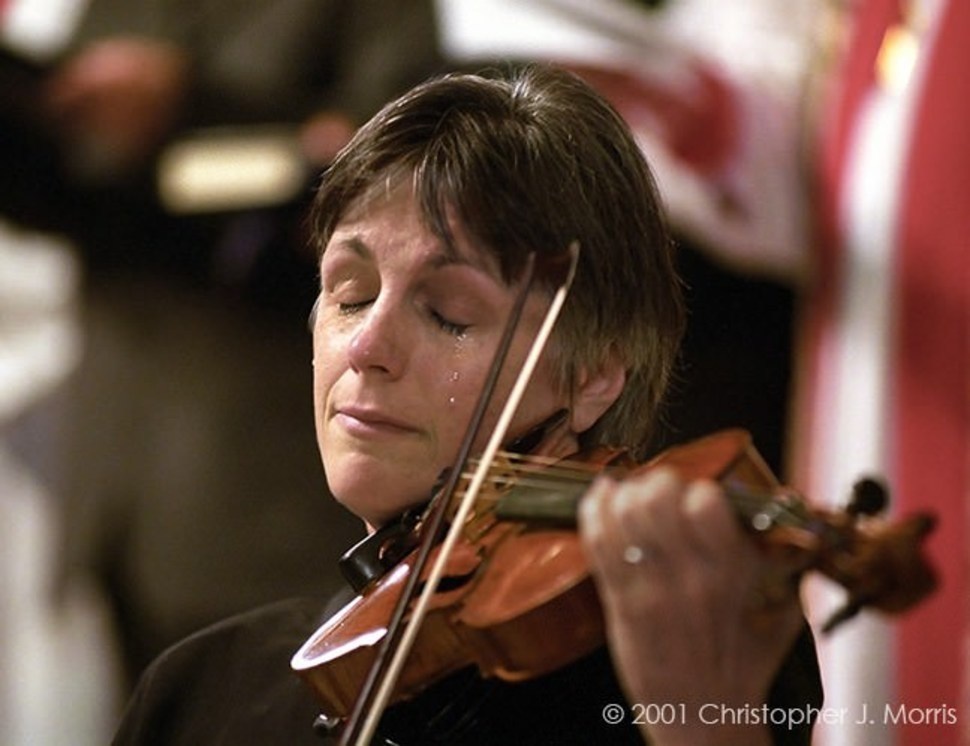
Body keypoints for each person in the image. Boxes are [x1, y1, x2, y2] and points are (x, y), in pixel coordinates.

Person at [111, 64, 821, 746]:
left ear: (595, 376)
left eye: (450, 314)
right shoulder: (200, 691)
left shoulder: (700, 646)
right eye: (349, 295)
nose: (368, 346)